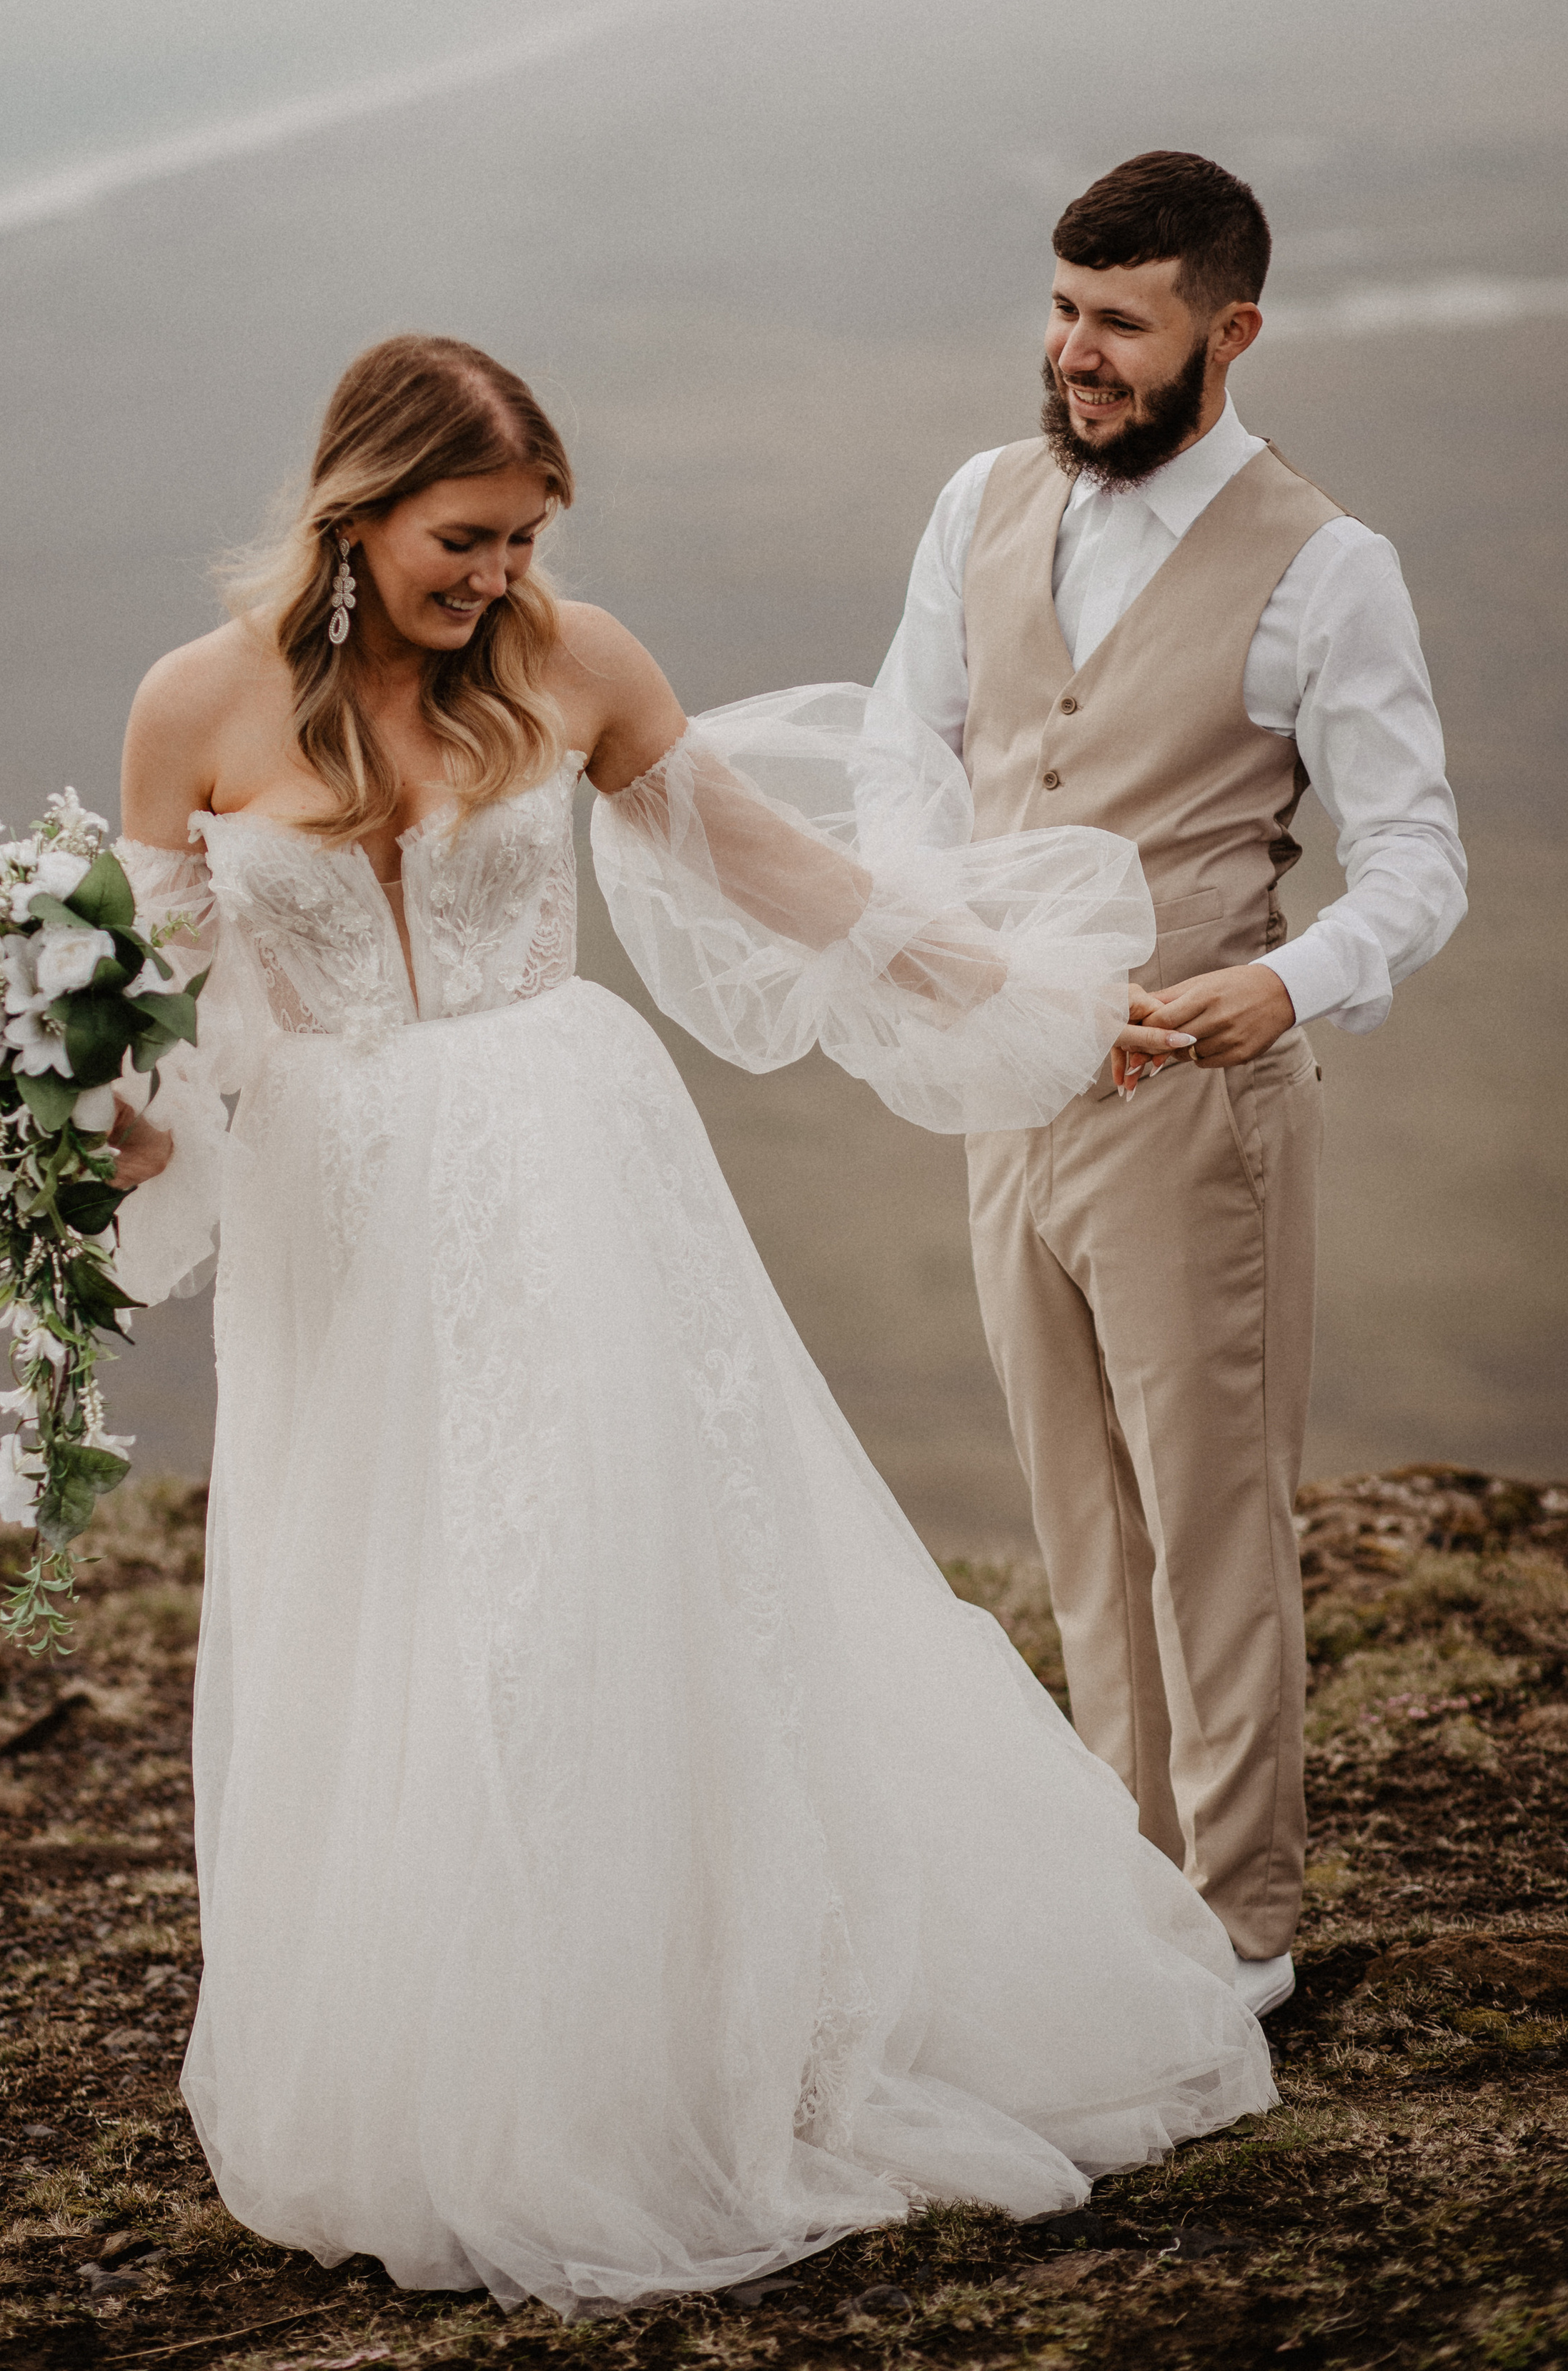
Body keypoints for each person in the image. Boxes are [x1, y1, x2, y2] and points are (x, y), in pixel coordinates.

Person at [106, 332, 1269, 2317]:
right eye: (464, 537)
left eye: (527, 535)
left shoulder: (575, 659)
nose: (498, 575)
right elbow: (159, 1020)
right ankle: (461, 2037)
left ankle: (685, 2036)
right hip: (341, 1220)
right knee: (390, 1598)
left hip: (565, 1170)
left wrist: (1029, 1001)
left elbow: (775, 867)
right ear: (354, 509)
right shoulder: (193, 708)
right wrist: (53, 1106)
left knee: (598, 1579)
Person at [873, 152, 1467, 2025]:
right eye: (1063, 312)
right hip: (1003, 1092)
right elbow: (903, 747)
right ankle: (1125, 1897)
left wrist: (1270, 989)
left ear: (1232, 329)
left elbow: (1420, 861)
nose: (1075, 356)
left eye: (1119, 324)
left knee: (1206, 1517)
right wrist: (935, 928)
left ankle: (1244, 1939)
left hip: (1196, 1112)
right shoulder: (978, 498)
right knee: (1075, 1512)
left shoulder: (1328, 568)